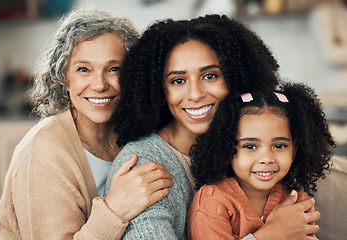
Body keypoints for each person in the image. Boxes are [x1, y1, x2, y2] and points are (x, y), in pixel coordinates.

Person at [103, 14, 319, 240]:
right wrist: (270, 235)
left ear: (236, 78)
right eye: (178, 80)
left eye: (210, 76)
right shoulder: (145, 167)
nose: (195, 94)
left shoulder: (255, 148)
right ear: (159, 91)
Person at [0, 9, 174, 239]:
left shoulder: (132, 132)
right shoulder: (42, 155)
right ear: (64, 78)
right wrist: (114, 210)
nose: (99, 84)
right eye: (84, 69)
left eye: (114, 69)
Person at [187, 82, 335, 239]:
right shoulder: (213, 201)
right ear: (227, 151)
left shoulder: (296, 201)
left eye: (279, 145)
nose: (266, 159)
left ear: (294, 150)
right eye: (250, 146)